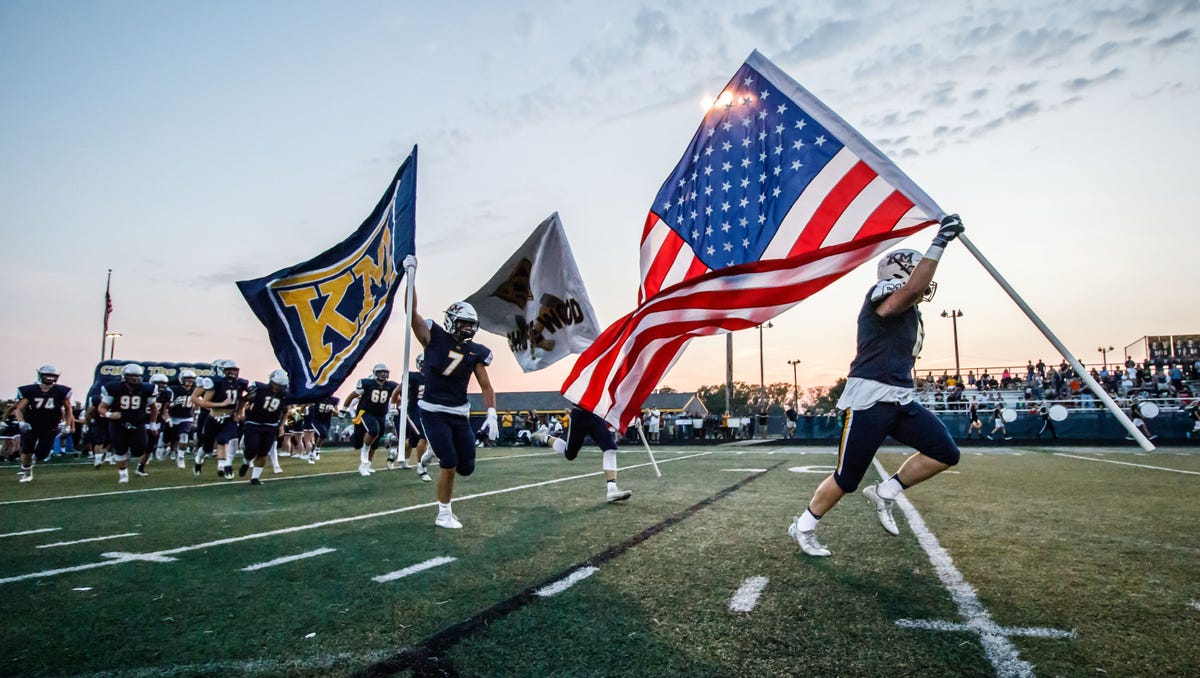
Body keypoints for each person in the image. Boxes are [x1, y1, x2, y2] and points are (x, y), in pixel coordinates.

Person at [788, 215, 964, 557]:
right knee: (847, 478)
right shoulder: (883, 294)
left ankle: (886, 491)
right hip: (870, 397)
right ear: (901, 271)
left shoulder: (911, 309)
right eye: (916, 270)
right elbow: (912, 288)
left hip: (899, 397)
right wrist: (939, 241)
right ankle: (804, 526)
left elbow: (913, 293)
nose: (923, 280)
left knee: (945, 452)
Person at [406, 254, 498, 529]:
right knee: (450, 460)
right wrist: (411, 278)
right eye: (463, 323)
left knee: (466, 467)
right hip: (433, 410)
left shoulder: (475, 351)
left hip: (459, 412)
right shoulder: (433, 336)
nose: (468, 329)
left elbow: (485, 384)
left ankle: (433, 452)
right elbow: (411, 313)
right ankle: (443, 513)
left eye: (471, 325)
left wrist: (491, 413)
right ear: (451, 321)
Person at [548, 404, 633, 504]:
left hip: (596, 413)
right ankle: (545, 438)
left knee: (610, 447)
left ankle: (612, 490)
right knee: (570, 454)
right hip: (579, 415)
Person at [12, 365, 74, 483]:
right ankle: (27, 472)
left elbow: (68, 409)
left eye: (52, 376)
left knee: (43, 454)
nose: (50, 378)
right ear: (41, 375)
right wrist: (21, 423)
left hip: (50, 425)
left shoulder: (61, 391)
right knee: (27, 450)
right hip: (31, 424)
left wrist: (67, 424)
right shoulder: (30, 390)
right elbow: (19, 409)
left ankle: (32, 461)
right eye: (47, 375)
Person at [97, 364, 159, 483]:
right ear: (125, 376)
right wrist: (110, 415)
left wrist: (152, 424)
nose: (136, 378)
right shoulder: (114, 388)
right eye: (132, 376)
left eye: (138, 376)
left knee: (139, 450)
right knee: (120, 450)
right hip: (118, 423)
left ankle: (129, 457)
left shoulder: (147, 389)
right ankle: (123, 474)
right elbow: (102, 407)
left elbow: (154, 408)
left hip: (138, 422)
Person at [235, 370, 291, 486]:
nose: (277, 388)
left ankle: (255, 478)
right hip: (253, 422)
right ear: (271, 381)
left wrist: (281, 427)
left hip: (270, 425)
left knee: (263, 452)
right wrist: (240, 413)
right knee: (251, 448)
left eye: (280, 386)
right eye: (276, 384)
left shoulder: (285, 395)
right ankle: (246, 462)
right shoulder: (259, 388)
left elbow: (285, 411)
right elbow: (244, 399)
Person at [343, 363, 398, 476]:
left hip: (381, 414)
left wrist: (396, 408)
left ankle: (366, 465)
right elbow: (352, 396)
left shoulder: (391, 385)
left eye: (385, 372)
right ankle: (364, 449)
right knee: (373, 430)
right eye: (380, 372)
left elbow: (399, 396)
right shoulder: (367, 384)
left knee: (376, 443)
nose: (383, 374)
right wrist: (343, 410)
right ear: (375, 373)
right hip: (366, 412)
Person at [390, 354, 426, 471]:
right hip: (414, 411)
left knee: (412, 441)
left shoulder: (434, 378)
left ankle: (397, 453)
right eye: (424, 362)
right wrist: (392, 406)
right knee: (423, 436)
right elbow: (396, 391)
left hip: (428, 412)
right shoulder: (413, 377)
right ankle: (421, 465)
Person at [162, 369, 198, 470]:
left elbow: (196, 403)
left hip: (186, 417)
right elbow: (166, 405)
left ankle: (180, 457)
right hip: (173, 417)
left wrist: (195, 415)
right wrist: (174, 403)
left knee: (184, 436)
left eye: (191, 379)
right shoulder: (173, 389)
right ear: (181, 379)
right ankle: (166, 449)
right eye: (187, 379)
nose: (189, 381)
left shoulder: (194, 389)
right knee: (168, 439)